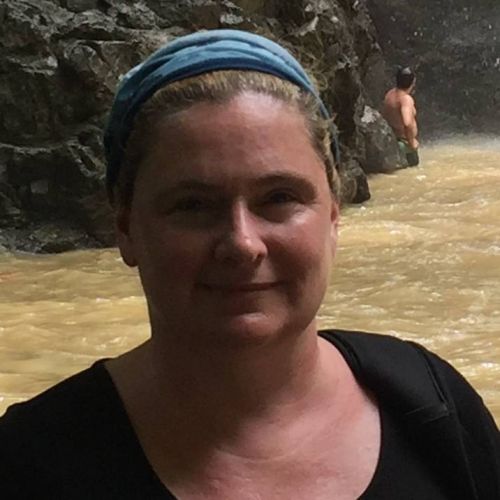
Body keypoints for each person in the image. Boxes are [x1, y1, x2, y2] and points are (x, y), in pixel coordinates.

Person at [0, 30, 498, 499]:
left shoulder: (432, 406)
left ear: (333, 215)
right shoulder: (27, 464)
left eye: (279, 197)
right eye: (193, 205)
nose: (242, 244)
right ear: (125, 229)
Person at [383, 66, 420, 166]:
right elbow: (407, 123)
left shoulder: (390, 94)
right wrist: (412, 142)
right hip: (405, 144)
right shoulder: (406, 99)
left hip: (393, 140)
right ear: (413, 82)